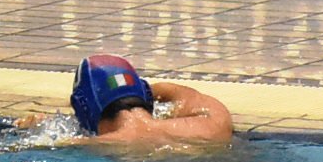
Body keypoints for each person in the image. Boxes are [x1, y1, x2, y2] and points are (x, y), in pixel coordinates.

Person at [65, 54, 236, 147]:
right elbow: (193, 99)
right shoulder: (211, 126)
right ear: (146, 94)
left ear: (83, 108)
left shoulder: (88, 147)